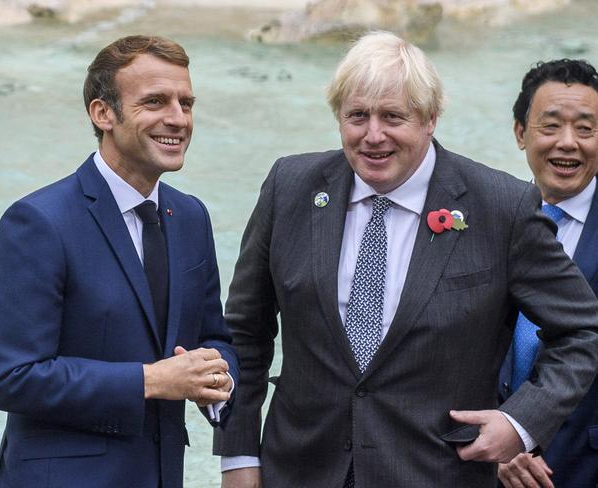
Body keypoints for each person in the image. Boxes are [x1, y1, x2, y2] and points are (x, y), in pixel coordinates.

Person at [213, 31, 598, 487]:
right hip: (297, 469)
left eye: (392, 116)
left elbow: (582, 331)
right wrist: (237, 456)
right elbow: (245, 333)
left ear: (430, 118)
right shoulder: (289, 186)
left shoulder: (501, 206)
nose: (373, 135)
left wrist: (519, 423)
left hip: (437, 473)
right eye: (357, 116)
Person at [0, 35, 238, 488]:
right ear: (103, 114)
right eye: (155, 102)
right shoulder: (36, 222)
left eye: (186, 102)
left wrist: (219, 381)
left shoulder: (191, 216)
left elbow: (214, 337)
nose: (177, 119)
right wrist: (150, 380)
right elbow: (10, 377)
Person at [497, 59, 598, 488]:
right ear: (521, 133)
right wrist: (497, 444)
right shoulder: (489, 216)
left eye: (586, 129)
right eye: (550, 126)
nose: (568, 143)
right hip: (486, 465)